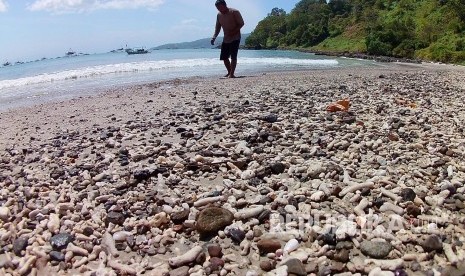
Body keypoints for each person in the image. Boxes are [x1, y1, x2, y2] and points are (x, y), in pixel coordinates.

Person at [211, 0, 244, 78]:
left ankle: (232, 74)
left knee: (233, 56)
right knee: (224, 57)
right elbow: (218, 27)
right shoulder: (219, 15)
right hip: (226, 38)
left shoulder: (234, 12)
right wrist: (214, 37)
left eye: (219, 7)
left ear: (225, 5)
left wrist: (233, 32)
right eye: (217, 8)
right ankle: (229, 72)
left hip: (235, 37)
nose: (218, 9)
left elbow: (241, 23)